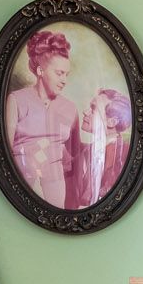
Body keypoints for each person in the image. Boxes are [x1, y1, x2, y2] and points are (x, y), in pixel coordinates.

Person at [6, 28, 102, 208]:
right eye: (59, 73)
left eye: (66, 74)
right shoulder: (16, 100)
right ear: (40, 70)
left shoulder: (70, 108)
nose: (64, 80)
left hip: (56, 184)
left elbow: (74, 156)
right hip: (20, 183)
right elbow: (4, 153)